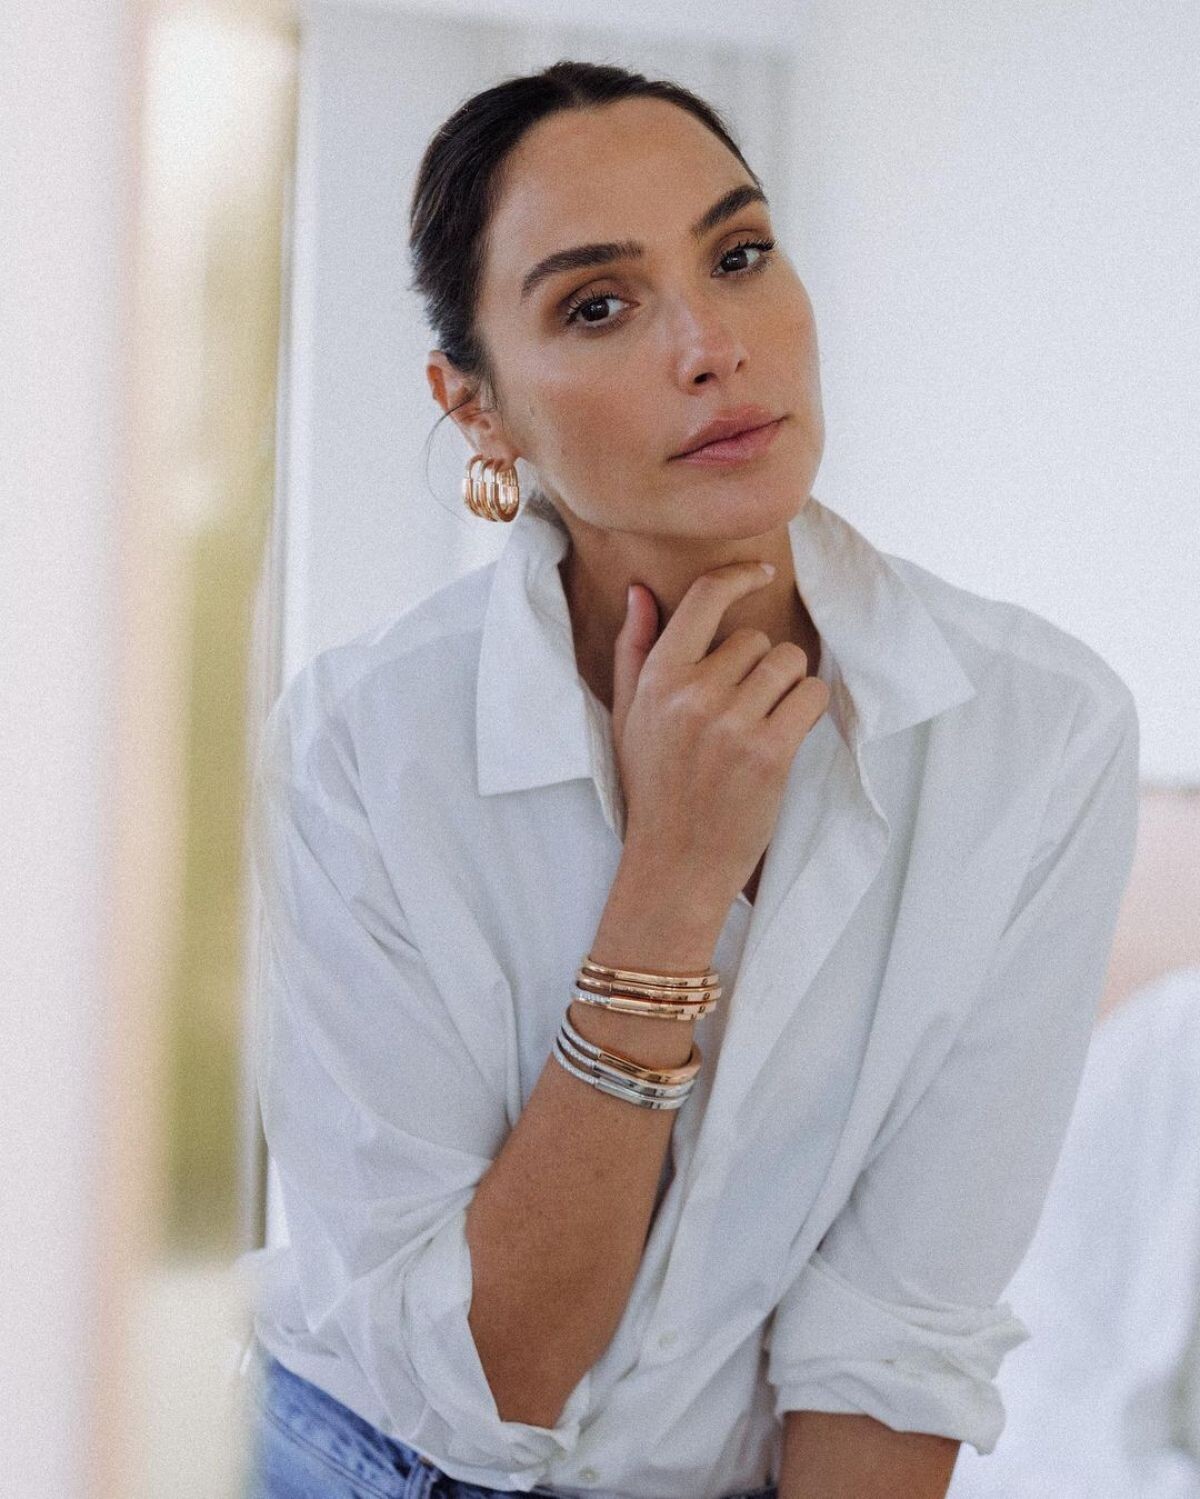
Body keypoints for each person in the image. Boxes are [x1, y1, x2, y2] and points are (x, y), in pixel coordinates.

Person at [235, 59, 1140, 1499]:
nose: (713, 346)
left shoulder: (1037, 734)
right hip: (361, 1463)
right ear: (478, 411)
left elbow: (896, 1339)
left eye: (738, 255)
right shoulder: (357, 749)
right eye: (598, 306)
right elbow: (493, 1380)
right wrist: (674, 878)